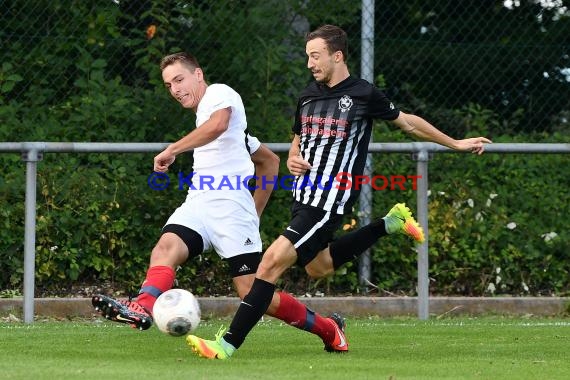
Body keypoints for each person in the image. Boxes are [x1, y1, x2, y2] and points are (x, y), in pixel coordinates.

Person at [186, 24, 492, 360]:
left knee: (270, 264)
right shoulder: (308, 96)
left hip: (329, 200)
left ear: (337, 55)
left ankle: (227, 345)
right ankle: (388, 224)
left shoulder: (363, 94)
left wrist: (455, 143)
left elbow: (409, 123)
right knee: (319, 267)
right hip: (302, 196)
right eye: (307, 57)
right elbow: (298, 139)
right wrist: (293, 157)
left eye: (315, 56)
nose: (310, 64)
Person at [92, 52, 350, 353]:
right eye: (168, 85)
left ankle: (329, 329)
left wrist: (251, 211)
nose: (175, 89)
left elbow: (219, 127)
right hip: (199, 203)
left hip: (231, 209)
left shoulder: (219, 94)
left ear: (198, 75)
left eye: (179, 79)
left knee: (253, 293)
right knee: (165, 248)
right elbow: (268, 161)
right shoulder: (222, 124)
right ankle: (142, 306)